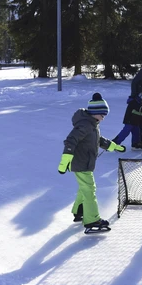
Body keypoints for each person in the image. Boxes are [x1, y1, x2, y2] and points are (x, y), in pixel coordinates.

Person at [58, 92, 126, 233]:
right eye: (102, 114)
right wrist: (64, 163)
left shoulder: (92, 124)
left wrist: (114, 146)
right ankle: (92, 220)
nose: (103, 117)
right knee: (90, 189)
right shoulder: (85, 125)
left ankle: (79, 210)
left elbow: (99, 140)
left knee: (85, 188)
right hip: (81, 162)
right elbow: (70, 141)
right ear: (95, 112)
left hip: (85, 162)